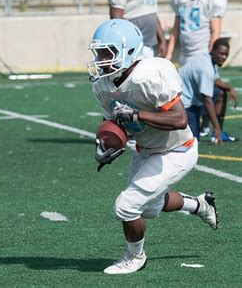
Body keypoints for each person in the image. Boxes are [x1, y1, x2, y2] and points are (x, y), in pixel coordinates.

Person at [87, 19, 218, 275]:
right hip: (146, 150)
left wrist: (137, 117)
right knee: (150, 207)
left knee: (126, 206)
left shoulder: (149, 75)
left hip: (178, 150)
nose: (101, 59)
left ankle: (134, 257)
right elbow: (111, 120)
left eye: (107, 52)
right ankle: (200, 204)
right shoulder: (102, 85)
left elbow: (180, 120)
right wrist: (107, 144)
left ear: (129, 51)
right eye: (98, 53)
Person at [179, 38, 238, 143]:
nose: (224, 57)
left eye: (226, 54)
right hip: (184, 103)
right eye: (221, 53)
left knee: (221, 92)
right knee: (192, 142)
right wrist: (216, 127)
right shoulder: (206, 68)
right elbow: (207, 100)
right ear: (213, 50)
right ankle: (214, 130)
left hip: (194, 100)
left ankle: (214, 132)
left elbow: (216, 81)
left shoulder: (208, 58)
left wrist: (229, 88)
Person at [165, 0, 227, 66]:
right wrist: (168, 54)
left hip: (203, 53)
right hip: (185, 54)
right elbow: (175, 30)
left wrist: (211, 56)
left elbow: (216, 32)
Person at [103, 0, 167, 58]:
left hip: (149, 44)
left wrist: (162, 39)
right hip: (132, 47)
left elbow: (152, 12)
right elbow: (117, 21)